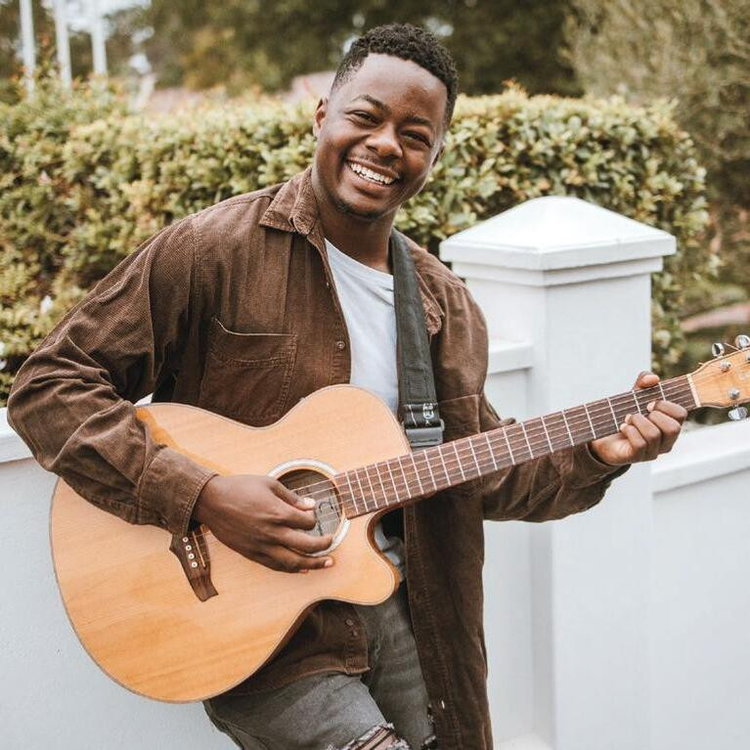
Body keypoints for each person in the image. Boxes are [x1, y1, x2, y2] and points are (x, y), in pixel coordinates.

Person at [7, 23, 686, 750]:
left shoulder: (444, 306)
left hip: (410, 609)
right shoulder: (214, 251)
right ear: (322, 116)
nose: (386, 145)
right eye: (366, 116)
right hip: (263, 636)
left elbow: (478, 472)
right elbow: (49, 386)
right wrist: (203, 495)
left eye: (415, 135)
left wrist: (599, 455)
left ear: (434, 157)